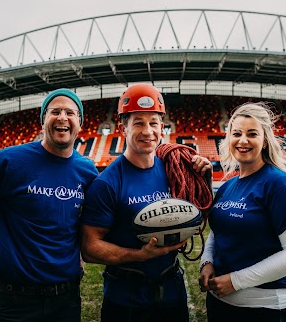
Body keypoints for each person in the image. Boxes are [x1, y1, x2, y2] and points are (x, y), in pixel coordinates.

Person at [0, 88, 99, 322]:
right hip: (14, 300)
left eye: (70, 113)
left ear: (79, 123)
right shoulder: (9, 160)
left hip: (66, 299)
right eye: (55, 111)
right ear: (43, 120)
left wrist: (80, 256)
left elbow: (85, 220)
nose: (63, 117)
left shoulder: (87, 170)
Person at [80, 83, 213, 322]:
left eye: (153, 122)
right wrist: (139, 255)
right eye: (138, 122)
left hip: (172, 288)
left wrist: (205, 178)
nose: (147, 131)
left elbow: (198, 218)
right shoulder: (107, 183)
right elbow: (89, 248)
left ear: (162, 127)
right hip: (125, 294)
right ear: (124, 128)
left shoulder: (175, 170)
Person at [199, 101, 286, 322]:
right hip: (220, 303)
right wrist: (207, 261)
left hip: (266, 309)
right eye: (236, 133)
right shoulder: (227, 186)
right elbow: (218, 230)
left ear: (265, 141)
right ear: (228, 139)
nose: (243, 140)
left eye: (252, 134)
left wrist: (235, 281)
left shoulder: (280, 185)